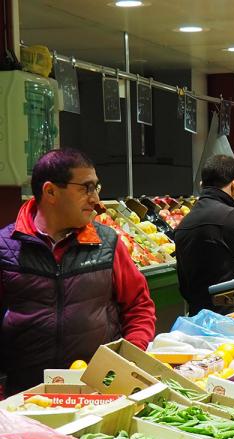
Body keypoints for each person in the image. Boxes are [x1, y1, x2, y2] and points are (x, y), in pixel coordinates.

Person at [0, 148, 156, 395]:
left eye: (96, 188)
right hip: (24, 396)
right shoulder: (5, 248)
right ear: (50, 191)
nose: (96, 200)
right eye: (86, 188)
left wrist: (127, 358)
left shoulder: (108, 244)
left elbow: (139, 306)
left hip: (98, 392)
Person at [175, 155, 234, 315]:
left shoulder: (184, 223)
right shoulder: (230, 217)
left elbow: (183, 284)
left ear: (202, 185)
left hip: (198, 316)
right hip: (231, 317)